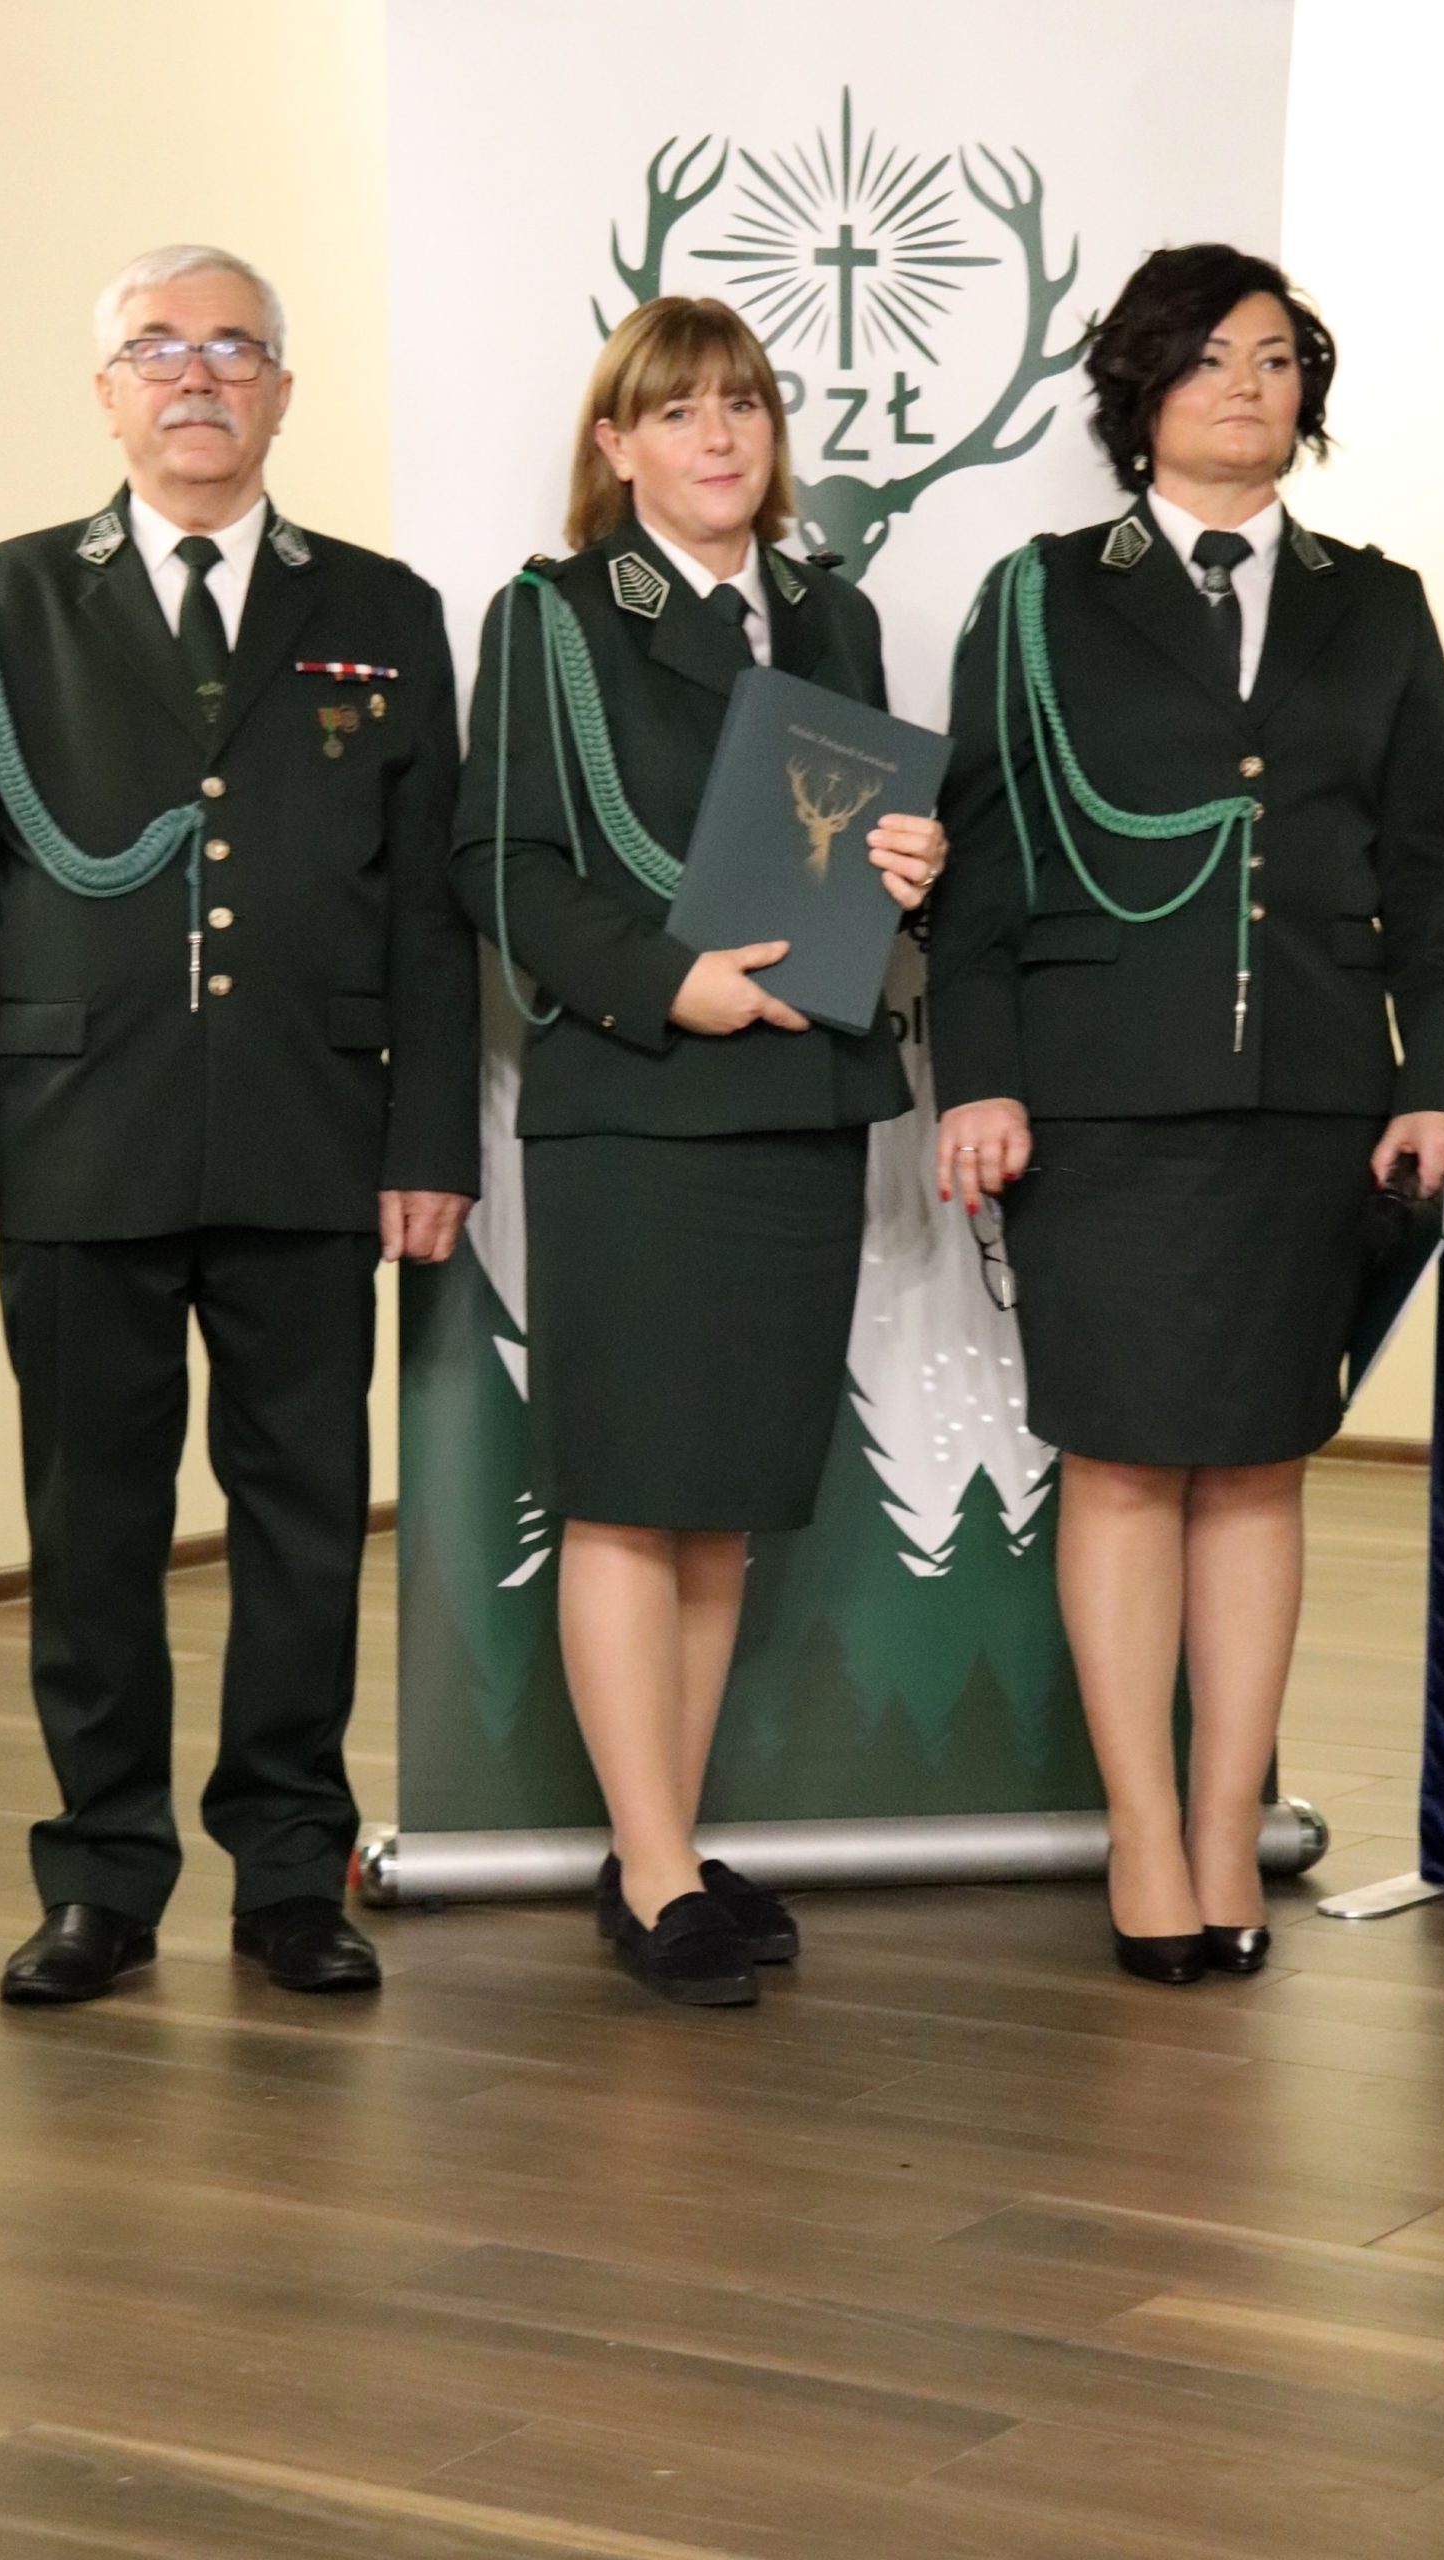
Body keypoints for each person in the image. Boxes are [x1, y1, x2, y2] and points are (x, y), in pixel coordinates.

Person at [0, 244, 479, 2004]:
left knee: (304, 1520)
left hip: (312, 1133)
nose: (197, 375)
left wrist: (426, 1143)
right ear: (107, 394)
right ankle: (102, 1876)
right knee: (93, 1529)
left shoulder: (381, 607)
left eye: (233, 346)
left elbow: (426, 913)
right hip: (74, 1132)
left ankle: (291, 1873)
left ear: (281, 388)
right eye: (157, 348)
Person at [930, 244, 1444, 1985]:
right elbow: (983, 871)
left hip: (1310, 1105)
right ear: (1139, 393)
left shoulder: (1375, 604)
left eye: (1273, 359)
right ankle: (1141, 1834)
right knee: (1118, 1467)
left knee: (1255, 1470)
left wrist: (1439, 1080)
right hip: (1098, 1106)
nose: (1246, 387)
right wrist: (981, 1074)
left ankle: (1226, 1821)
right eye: (1206, 360)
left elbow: (1431, 873)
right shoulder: (1037, 599)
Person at [450, 297, 945, 2005]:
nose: (717, 435)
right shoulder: (555, 617)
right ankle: (658, 1871)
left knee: (721, 1504)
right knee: (629, 1490)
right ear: (616, 447)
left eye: (741, 404)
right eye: (675, 412)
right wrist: (672, 984)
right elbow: (499, 865)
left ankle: (658, 1844)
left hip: (799, 1106)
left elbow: (859, 846)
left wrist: (908, 870)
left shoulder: (832, 614)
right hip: (643, 1102)